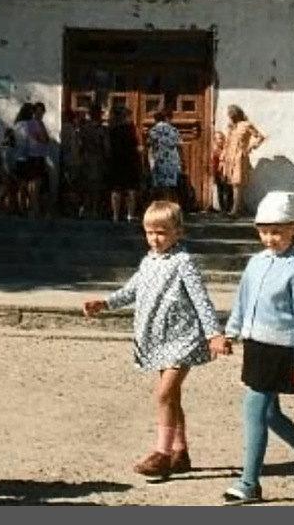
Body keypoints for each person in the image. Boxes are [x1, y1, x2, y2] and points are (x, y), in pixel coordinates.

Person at [83, 201, 229, 480]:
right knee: (172, 397)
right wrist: (105, 303)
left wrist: (214, 334)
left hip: (183, 338)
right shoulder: (148, 261)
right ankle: (180, 452)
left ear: (178, 231)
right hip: (158, 339)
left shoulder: (183, 262)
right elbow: (131, 290)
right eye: (149, 232)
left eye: (161, 232)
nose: (155, 238)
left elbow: (201, 300)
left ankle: (160, 454)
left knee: (163, 394)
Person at [221, 191, 294, 505]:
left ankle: (249, 482)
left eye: (278, 231)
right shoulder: (255, 262)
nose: (270, 238)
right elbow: (243, 300)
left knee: (254, 408)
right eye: (265, 231)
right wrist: (231, 332)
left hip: (280, 349)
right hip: (255, 344)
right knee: (269, 413)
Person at [221, 105, 266, 218]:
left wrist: (251, 146)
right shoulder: (231, 127)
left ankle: (235, 210)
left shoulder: (246, 125)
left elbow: (260, 137)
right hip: (229, 157)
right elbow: (227, 143)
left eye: (231, 113)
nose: (230, 116)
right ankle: (238, 207)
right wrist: (223, 157)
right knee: (231, 182)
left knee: (237, 182)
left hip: (239, 156)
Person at [107, 106, 143, 222]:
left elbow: (107, 146)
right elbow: (140, 147)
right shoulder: (132, 129)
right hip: (130, 160)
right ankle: (130, 214)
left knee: (116, 189)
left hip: (115, 160)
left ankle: (116, 215)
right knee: (131, 189)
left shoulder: (111, 130)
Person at [77, 104, 110, 219]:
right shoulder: (102, 129)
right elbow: (106, 146)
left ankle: (86, 208)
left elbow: (79, 144)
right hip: (97, 158)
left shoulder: (83, 128)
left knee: (86, 185)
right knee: (96, 186)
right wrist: (107, 158)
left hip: (85, 158)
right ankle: (95, 209)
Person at [146, 110, 183, 204]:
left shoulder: (153, 131)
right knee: (170, 187)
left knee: (157, 186)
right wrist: (182, 161)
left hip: (158, 160)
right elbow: (179, 146)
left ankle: (158, 206)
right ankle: (170, 206)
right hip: (171, 160)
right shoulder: (173, 130)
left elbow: (150, 145)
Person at [58, 110, 84, 217]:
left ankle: (68, 208)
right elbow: (76, 145)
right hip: (73, 161)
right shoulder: (71, 129)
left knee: (68, 185)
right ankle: (72, 208)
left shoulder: (62, 129)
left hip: (65, 160)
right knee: (73, 185)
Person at [209, 130, 230, 214]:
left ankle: (227, 207)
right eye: (217, 139)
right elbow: (213, 162)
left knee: (226, 189)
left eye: (221, 138)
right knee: (219, 189)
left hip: (225, 171)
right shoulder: (214, 150)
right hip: (217, 171)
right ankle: (222, 207)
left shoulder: (226, 149)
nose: (219, 141)